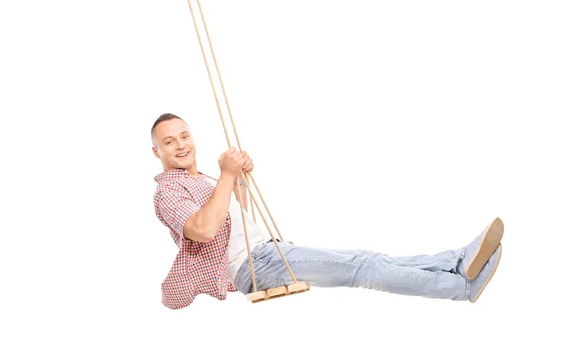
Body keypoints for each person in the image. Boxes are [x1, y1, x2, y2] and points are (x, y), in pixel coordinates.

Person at [151, 113, 504, 310]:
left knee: (366, 258)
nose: (181, 145)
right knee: (362, 268)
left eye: (184, 136)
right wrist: (228, 174)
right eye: (169, 142)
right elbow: (204, 229)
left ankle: (457, 261)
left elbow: (236, 214)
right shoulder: (167, 189)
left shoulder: (205, 179)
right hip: (255, 266)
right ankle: (460, 287)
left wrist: (236, 179)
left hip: (268, 250)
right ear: (157, 152)